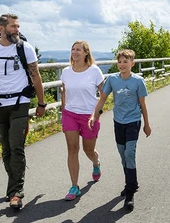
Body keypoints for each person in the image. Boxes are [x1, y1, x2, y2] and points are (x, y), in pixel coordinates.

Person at [0, 13, 46, 210]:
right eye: (13, 27)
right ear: (1, 28)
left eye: (18, 26)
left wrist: (41, 103)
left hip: (20, 102)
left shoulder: (25, 47)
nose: (17, 30)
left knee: (16, 146)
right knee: (6, 148)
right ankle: (13, 186)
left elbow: (36, 76)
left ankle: (16, 192)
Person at [89, 49, 151, 211]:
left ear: (132, 64)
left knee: (129, 153)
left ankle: (129, 192)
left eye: (125, 62)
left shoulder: (138, 81)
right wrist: (94, 116)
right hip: (118, 122)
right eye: (119, 62)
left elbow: (143, 104)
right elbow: (102, 99)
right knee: (123, 156)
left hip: (133, 121)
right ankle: (132, 182)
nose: (122, 64)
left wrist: (147, 124)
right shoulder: (112, 79)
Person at [59, 40, 105, 200]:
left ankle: (96, 162)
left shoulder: (94, 71)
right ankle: (74, 186)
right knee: (72, 148)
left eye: (78, 49)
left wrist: (96, 114)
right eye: (73, 49)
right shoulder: (66, 72)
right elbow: (64, 93)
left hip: (89, 115)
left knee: (88, 150)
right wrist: (63, 112)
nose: (75, 52)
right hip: (70, 114)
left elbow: (103, 94)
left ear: (86, 53)